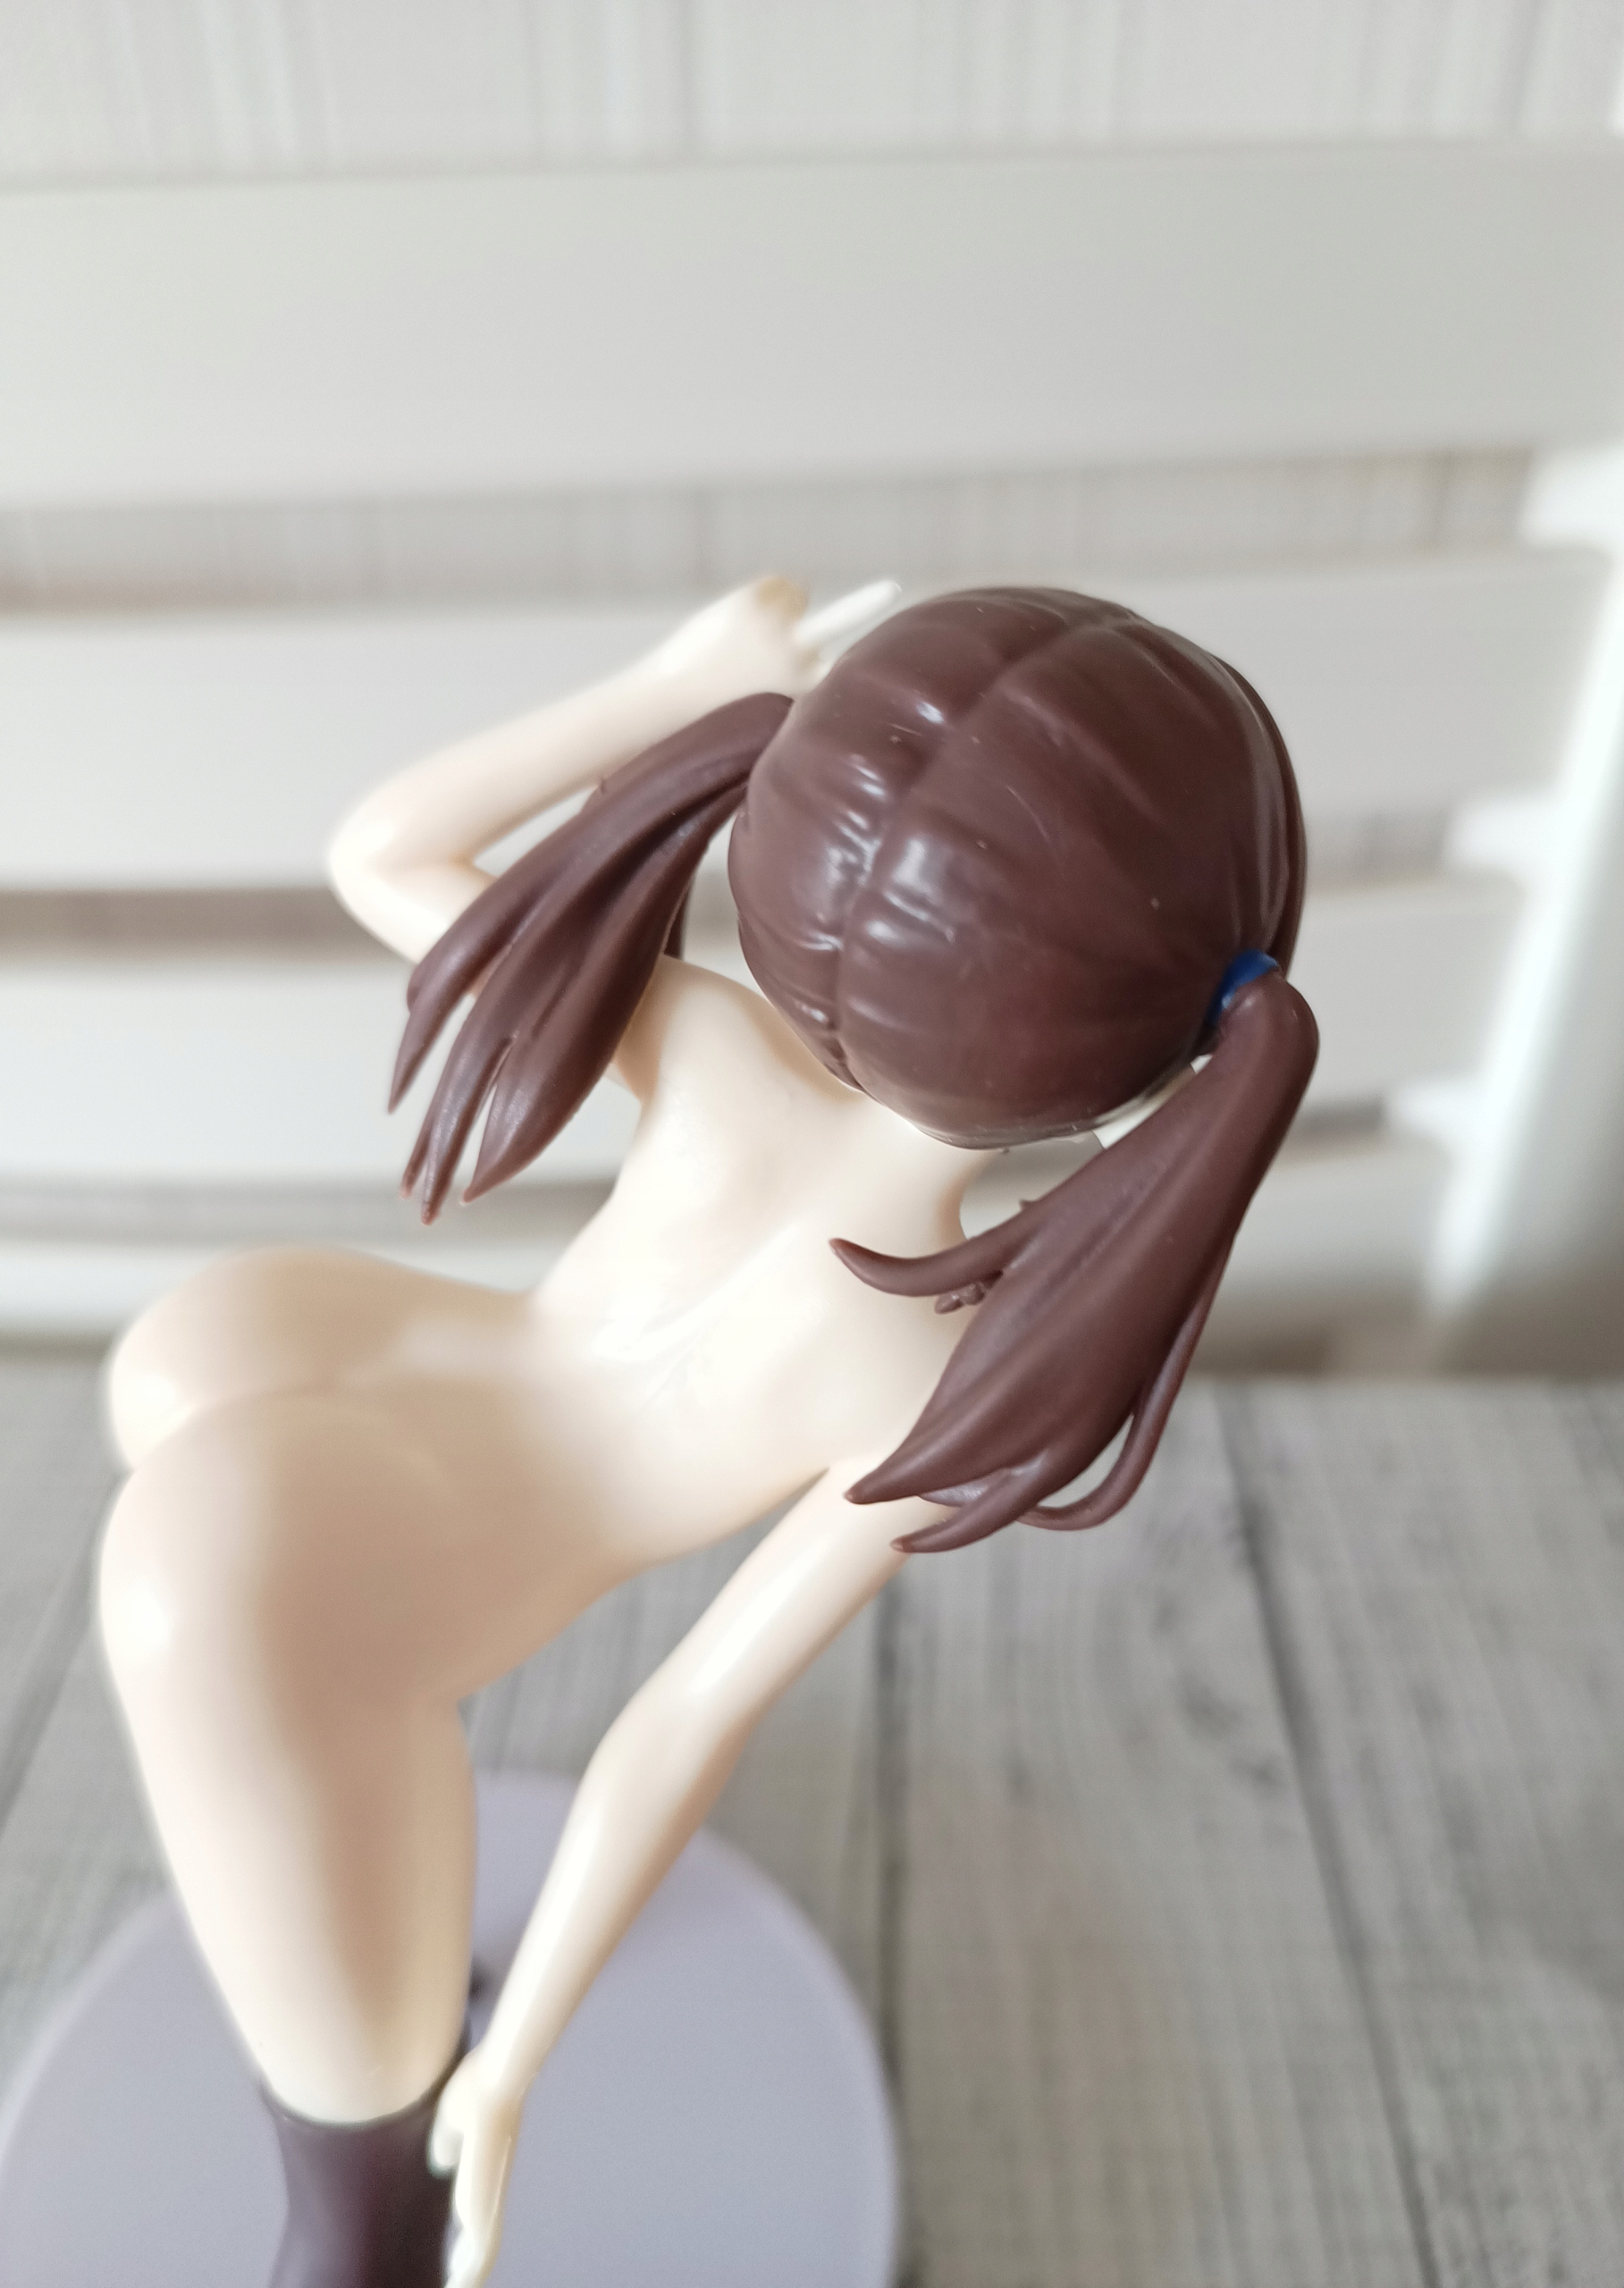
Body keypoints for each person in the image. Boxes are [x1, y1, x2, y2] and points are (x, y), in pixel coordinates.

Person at [97, 576, 1317, 2288]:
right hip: (362, 1482)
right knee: (179, 1392)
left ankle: (360, 2086)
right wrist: (505, 2069)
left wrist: (677, 684)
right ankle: (365, 2062)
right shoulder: (909, 1341)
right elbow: (675, 1726)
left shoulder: (732, 1076)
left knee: (208, 1564)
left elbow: (382, 850)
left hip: (362, 1449)